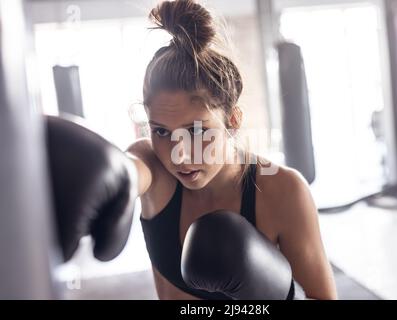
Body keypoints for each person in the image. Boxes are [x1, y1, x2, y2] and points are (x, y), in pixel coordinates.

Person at [45, 0, 337, 300]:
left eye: (196, 131)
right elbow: (128, 170)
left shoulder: (283, 190)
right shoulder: (153, 168)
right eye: (161, 131)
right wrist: (102, 174)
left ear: (233, 120)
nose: (178, 155)